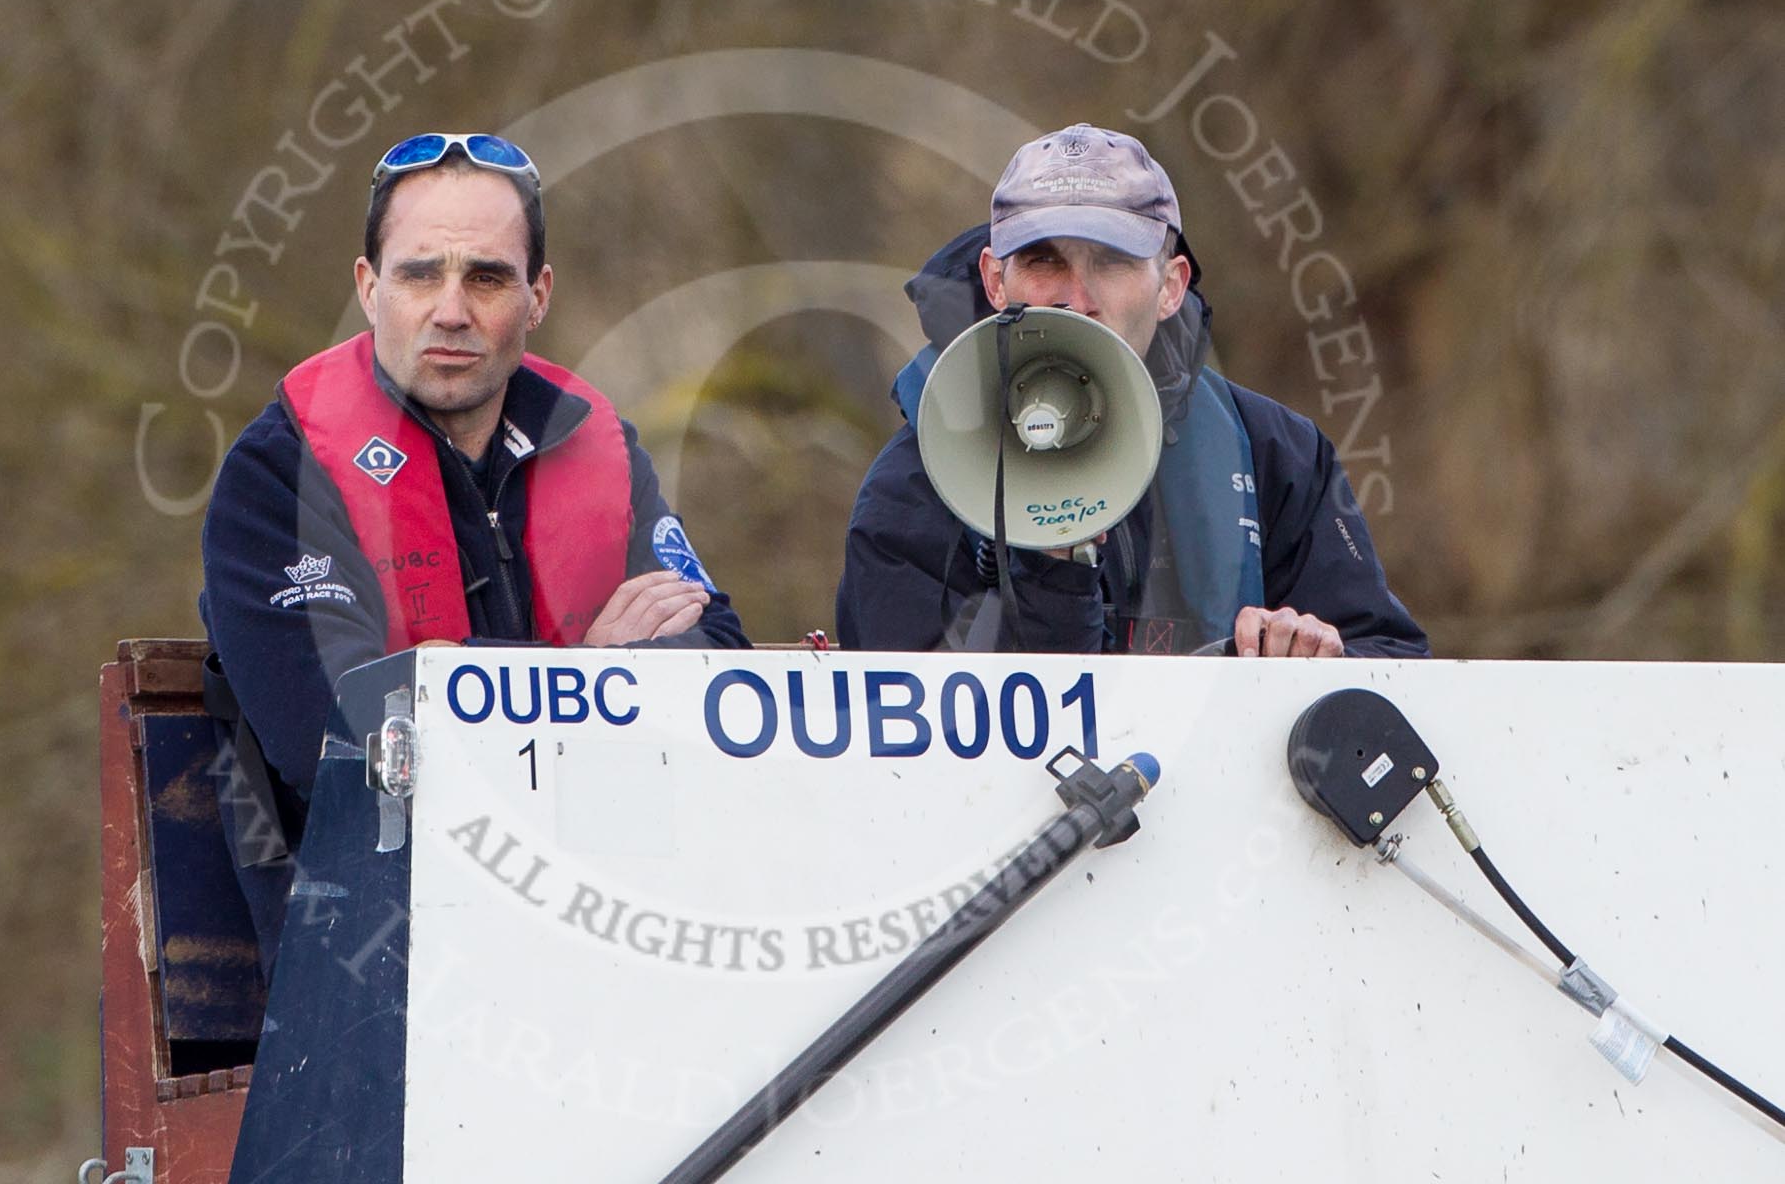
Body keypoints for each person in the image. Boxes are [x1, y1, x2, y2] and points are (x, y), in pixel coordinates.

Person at [200, 132, 748, 970]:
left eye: (487, 277)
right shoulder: (281, 473)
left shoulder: (598, 445)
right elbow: (344, 735)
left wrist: (550, 685)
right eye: (421, 273)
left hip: (614, 922)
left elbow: (720, 655)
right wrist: (588, 677)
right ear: (369, 287)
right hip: (379, 954)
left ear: (538, 296)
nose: (450, 309)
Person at [837, 123, 1428, 659]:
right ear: (996, 280)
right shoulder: (916, 480)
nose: (1076, 297)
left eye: (1112, 261)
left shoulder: (1280, 454)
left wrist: (1316, 660)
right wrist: (1050, 577)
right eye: (1045, 261)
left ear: (1171, 286)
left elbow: (1397, 663)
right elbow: (897, 736)